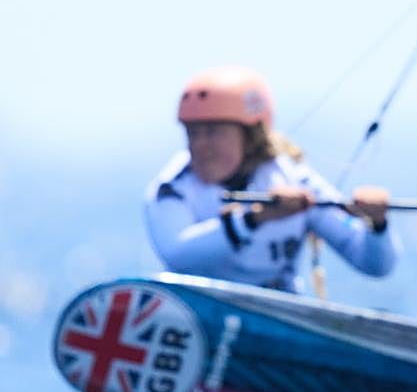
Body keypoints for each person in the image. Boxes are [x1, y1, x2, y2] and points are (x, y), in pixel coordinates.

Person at [145, 66, 397, 292]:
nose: (199, 145)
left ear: (251, 135)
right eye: (192, 133)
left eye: (213, 132)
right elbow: (177, 252)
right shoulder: (171, 188)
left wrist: (377, 224)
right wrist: (255, 218)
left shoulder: (295, 179)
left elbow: (375, 265)